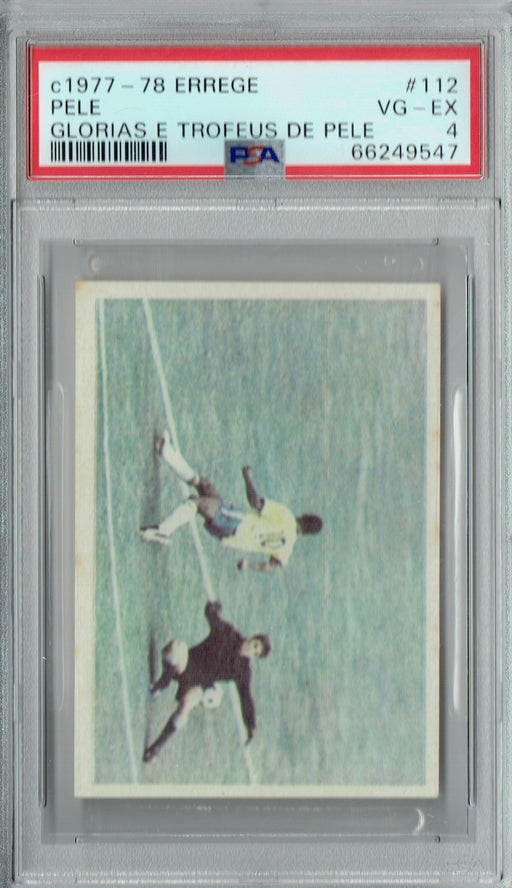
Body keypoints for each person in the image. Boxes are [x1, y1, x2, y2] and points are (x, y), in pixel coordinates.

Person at [140, 432, 322, 573]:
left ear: (304, 516)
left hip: (236, 522)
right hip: (229, 538)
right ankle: (166, 452)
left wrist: (247, 477)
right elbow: (272, 568)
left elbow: (256, 503)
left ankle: (162, 531)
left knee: (197, 503)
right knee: (204, 486)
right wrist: (249, 565)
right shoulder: (288, 547)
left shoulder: (287, 517)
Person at [143, 600, 271, 762]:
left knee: (186, 705)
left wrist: (251, 725)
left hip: (199, 683)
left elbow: (246, 697)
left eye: (255, 652)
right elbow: (211, 616)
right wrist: (212, 609)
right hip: (188, 663)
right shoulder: (228, 633)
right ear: (251, 638)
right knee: (175, 647)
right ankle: (163, 682)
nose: (251, 649)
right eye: (254, 645)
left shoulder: (243, 671)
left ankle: (156, 747)